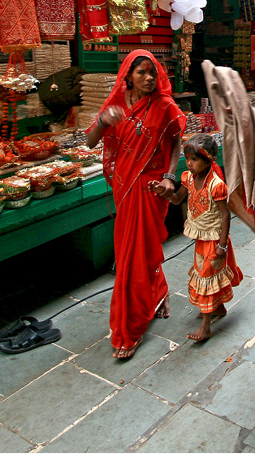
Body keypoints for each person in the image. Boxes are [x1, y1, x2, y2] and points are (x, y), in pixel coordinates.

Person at [86, 50, 186, 359]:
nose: (148, 78)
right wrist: (102, 121)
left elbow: (175, 140)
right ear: (128, 75)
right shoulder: (114, 106)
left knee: (134, 255)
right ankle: (155, 294)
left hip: (150, 187)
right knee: (131, 252)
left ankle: (130, 325)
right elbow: (90, 141)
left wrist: (171, 176)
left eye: (152, 73)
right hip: (125, 188)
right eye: (141, 72)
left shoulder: (163, 106)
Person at [150, 133, 242, 343]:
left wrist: (222, 246)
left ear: (209, 161)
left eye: (194, 160)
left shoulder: (216, 185)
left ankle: (206, 326)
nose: (189, 164)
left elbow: (225, 214)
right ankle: (217, 309)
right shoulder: (189, 178)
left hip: (214, 239)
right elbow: (176, 200)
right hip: (201, 236)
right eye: (188, 159)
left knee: (206, 276)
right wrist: (162, 192)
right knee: (206, 273)